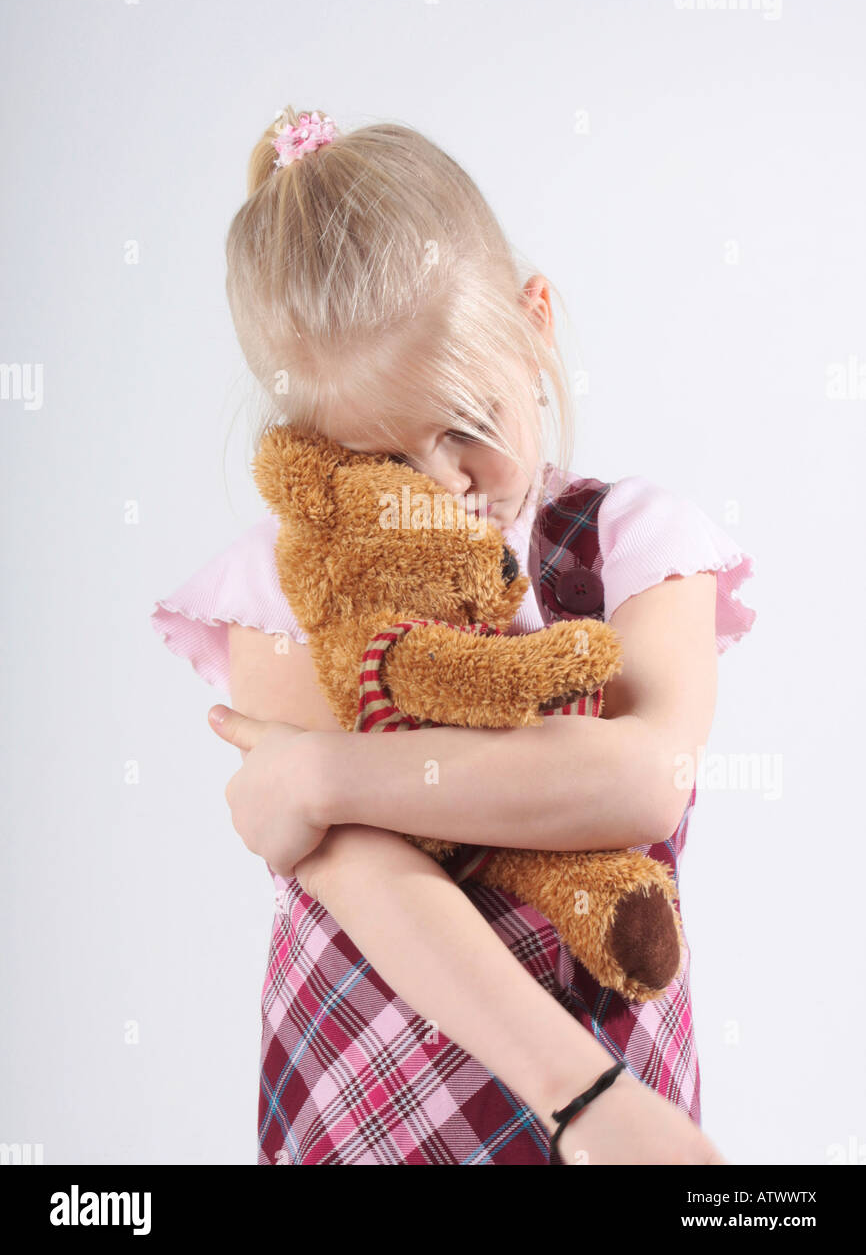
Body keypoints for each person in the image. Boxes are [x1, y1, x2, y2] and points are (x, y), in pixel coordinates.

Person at [150, 106, 756, 1164]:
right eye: (379, 462)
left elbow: (637, 778)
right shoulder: (285, 584)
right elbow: (358, 866)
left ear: (532, 323)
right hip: (369, 1093)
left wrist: (323, 775)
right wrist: (579, 1099)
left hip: (617, 1077)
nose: (445, 487)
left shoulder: (630, 543)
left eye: (464, 424)